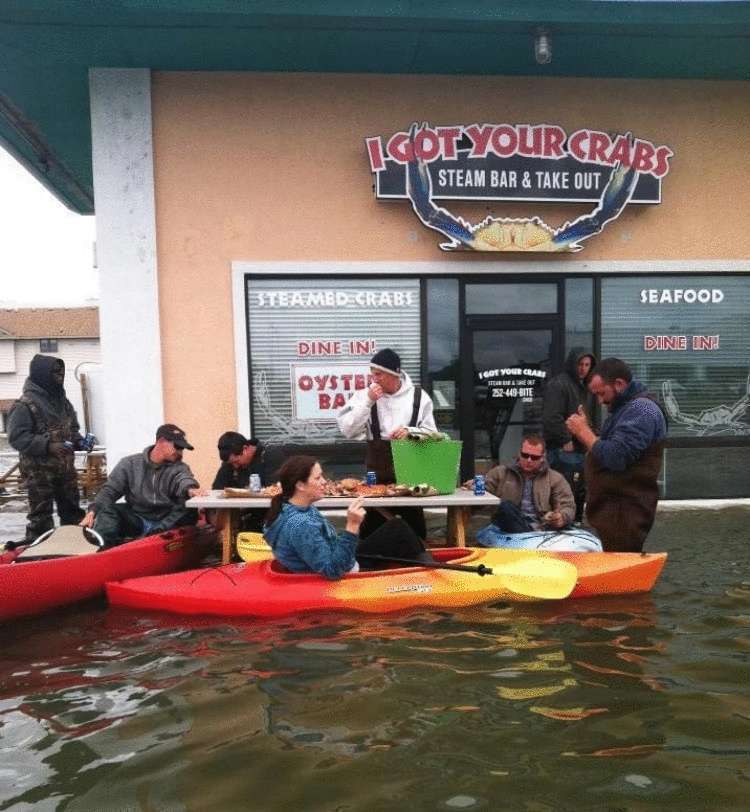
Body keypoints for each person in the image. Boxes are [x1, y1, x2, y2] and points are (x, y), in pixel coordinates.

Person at [263, 455, 432, 579]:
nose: (325, 482)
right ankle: (431, 575)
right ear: (300, 485)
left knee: (396, 527)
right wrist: (352, 526)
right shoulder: (301, 524)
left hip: (341, 558)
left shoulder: (290, 507)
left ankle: (426, 568)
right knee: (399, 531)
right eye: (318, 477)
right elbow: (332, 572)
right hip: (343, 572)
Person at [565, 357, 667, 552]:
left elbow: (616, 457)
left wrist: (583, 433)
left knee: (620, 576)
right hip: (614, 512)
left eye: (602, 393)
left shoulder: (642, 410)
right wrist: (588, 431)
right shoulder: (627, 409)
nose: (600, 400)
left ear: (619, 384)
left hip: (624, 514)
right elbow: (609, 447)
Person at [336, 347, 436, 538]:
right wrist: (367, 402)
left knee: (413, 537)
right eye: (372, 374)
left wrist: (411, 432)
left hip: (411, 481)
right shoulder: (364, 395)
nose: (374, 379)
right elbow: (347, 429)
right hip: (376, 482)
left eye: (379, 374)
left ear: (394, 374)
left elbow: (434, 437)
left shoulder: (419, 397)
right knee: (373, 538)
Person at [80, 424, 207, 546]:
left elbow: (183, 479)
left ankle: (153, 537)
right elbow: (110, 490)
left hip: (168, 522)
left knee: (189, 509)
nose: (180, 452)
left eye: (182, 448)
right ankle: (103, 550)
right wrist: (92, 511)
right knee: (107, 510)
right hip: (138, 519)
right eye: (177, 447)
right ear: (161, 441)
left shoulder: (180, 467)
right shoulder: (129, 464)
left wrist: (190, 489)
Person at [7, 354, 86, 544]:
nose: (60, 375)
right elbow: (17, 437)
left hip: (65, 469)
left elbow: (72, 429)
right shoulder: (24, 405)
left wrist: (80, 441)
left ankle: (74, 546)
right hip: (39, 473)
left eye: (62, 372)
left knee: (72, 510)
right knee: (41, 516)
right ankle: (38, 551)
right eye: (55, 372)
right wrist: (48, 446)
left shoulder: (63, 402)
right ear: (42, 374)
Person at [542, 347, 597, 521]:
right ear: (572, 364)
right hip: (563, 451)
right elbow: (551, 417)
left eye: (587, 365)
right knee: (564, 492)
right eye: (580, 364)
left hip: (580, 450)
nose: (583, 368)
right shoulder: (559, 384)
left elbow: (588, 418)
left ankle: (575, 524)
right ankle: (561, 525)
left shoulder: (585, 388)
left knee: (579, 491)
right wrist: (565, 439)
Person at [480, 434, 576, 533]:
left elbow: (568, 505)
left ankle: (528, 533)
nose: (529, 460)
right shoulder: (501, 473)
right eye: (525, 455)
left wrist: (561, 517)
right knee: (506, 507)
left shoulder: (555, 478)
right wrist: (473, 487)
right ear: (519, 453)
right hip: (509, 523)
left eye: (534, 457)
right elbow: (483, 491)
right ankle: (526, 534)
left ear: (542, 457)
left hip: (542, 526)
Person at [212, 431, 267, 531]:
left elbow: (276, 489)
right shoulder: (229, 464)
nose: (235, 466)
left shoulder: (268, 456)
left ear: (245, 449)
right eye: (231, 463)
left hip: (267, 517)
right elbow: (217, 489)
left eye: (236, 462)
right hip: (242, 517)